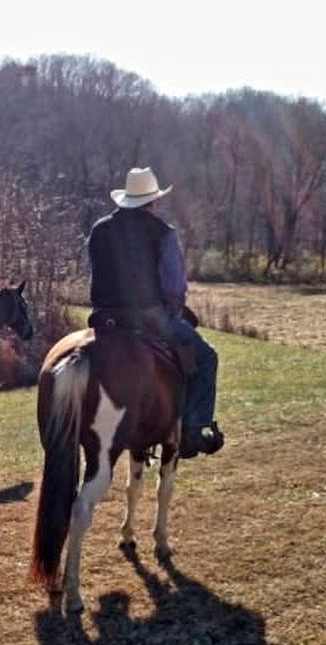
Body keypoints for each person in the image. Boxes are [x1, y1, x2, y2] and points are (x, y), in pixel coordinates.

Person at [86, 166, 223, 458]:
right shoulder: (162, 232)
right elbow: (174, 287)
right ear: (153, 201)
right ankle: (193, 431)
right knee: (208, 358)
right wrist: (174, 308)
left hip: (103, 319)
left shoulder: (99, 229)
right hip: (149, 318)